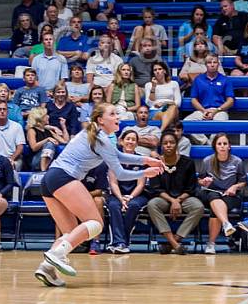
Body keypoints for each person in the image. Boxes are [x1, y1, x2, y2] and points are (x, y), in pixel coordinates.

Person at [34, 104, 163, 287]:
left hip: (50, 179)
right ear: (101, 120)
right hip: (64, 176)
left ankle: (47, 268)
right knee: (96, 223)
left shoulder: (95, 134)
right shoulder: (100, 137)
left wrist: (145, 160)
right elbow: (119, 172)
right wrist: (144, 173)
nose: (117, 116)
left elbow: (117, 155)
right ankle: (56, 255)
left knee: (72, 234)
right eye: (112, 114)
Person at [145, 130, 203, 255]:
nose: (168, 145)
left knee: (198, 206)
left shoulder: (188, 162)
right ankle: (175, 244)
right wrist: (172, 201)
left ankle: (172, 242)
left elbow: (191, 188)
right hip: (164, 199)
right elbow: (156, 189)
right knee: (152, 204)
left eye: (171, 142)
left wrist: (178, 200)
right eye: (165, 143)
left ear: (177, 144)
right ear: (161, 146)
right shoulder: (156, 163)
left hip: (184, 198)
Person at [196, 133, 247, 254]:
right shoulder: (207, 161)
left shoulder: (237, 161)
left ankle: (211, 243)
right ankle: (226, 223)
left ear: (229, 146)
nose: (222, 146)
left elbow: (243, 182)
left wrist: (235, 187)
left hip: (230, 195)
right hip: (211, 192)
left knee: (215, 209)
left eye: (225, 144)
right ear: (215, 146)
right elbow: (200, 180)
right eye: (219, 144)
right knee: (213, 196)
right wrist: (204, 182)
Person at [103, 130, 151, 253]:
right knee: (114, 206)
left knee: (133, 205)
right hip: (117, 194)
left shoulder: (141, 159)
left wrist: (129, 198)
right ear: (121, 141)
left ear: (137, 143)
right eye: (128, 139)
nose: (130, 142)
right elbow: (113, 182)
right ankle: (120, 242)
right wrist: (121, 198)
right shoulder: (113, 159)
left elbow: (141, 184)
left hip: (136, 194)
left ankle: (121, 242)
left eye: (133, 140)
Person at [184, 55, 234, 145]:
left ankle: (213, 144)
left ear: (218, 64)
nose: (212, 65)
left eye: (214, 62)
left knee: (221, 123)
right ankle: (206, 143)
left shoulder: (225, 80)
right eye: (209, 63)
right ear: (205, 65)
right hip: (202, 110)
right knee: (186, 123)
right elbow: (194, 99)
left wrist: (216, 110)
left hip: (220, 110)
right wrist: (203, 110)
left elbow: (230, 100)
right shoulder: (198, 80)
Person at [27, 106, 69, 171]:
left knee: (51, 144)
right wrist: (47, 139)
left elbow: (65, 141)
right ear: (40, 117)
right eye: (46, 115)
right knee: (49, 144)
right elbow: (33, 147)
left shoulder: (48, 131)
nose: (48, 116)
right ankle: (43, 170)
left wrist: (63, 126)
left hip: (49, 160)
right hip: (35, 160)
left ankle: (45, 169)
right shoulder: (32, 130)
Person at [0, 101, 26, 170]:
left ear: (8, 111)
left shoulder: (17, 126)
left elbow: (20, 147)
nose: (2, 111)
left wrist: (10, 159)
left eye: (4, 109)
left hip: (13, 159)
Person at [144, 63, 181, 131]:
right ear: (153, 73)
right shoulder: (149, 85)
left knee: (173, 107)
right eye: (155, 70)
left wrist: (164, 103)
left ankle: (161, 131)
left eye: (160, 69)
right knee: (165, 114)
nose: (157, 71)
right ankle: (164, 131)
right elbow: (149, 103)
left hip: (171, 109)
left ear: (165, 71)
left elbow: (178, 103)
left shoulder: (174, 84)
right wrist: (153, 87)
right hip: (155, 111)